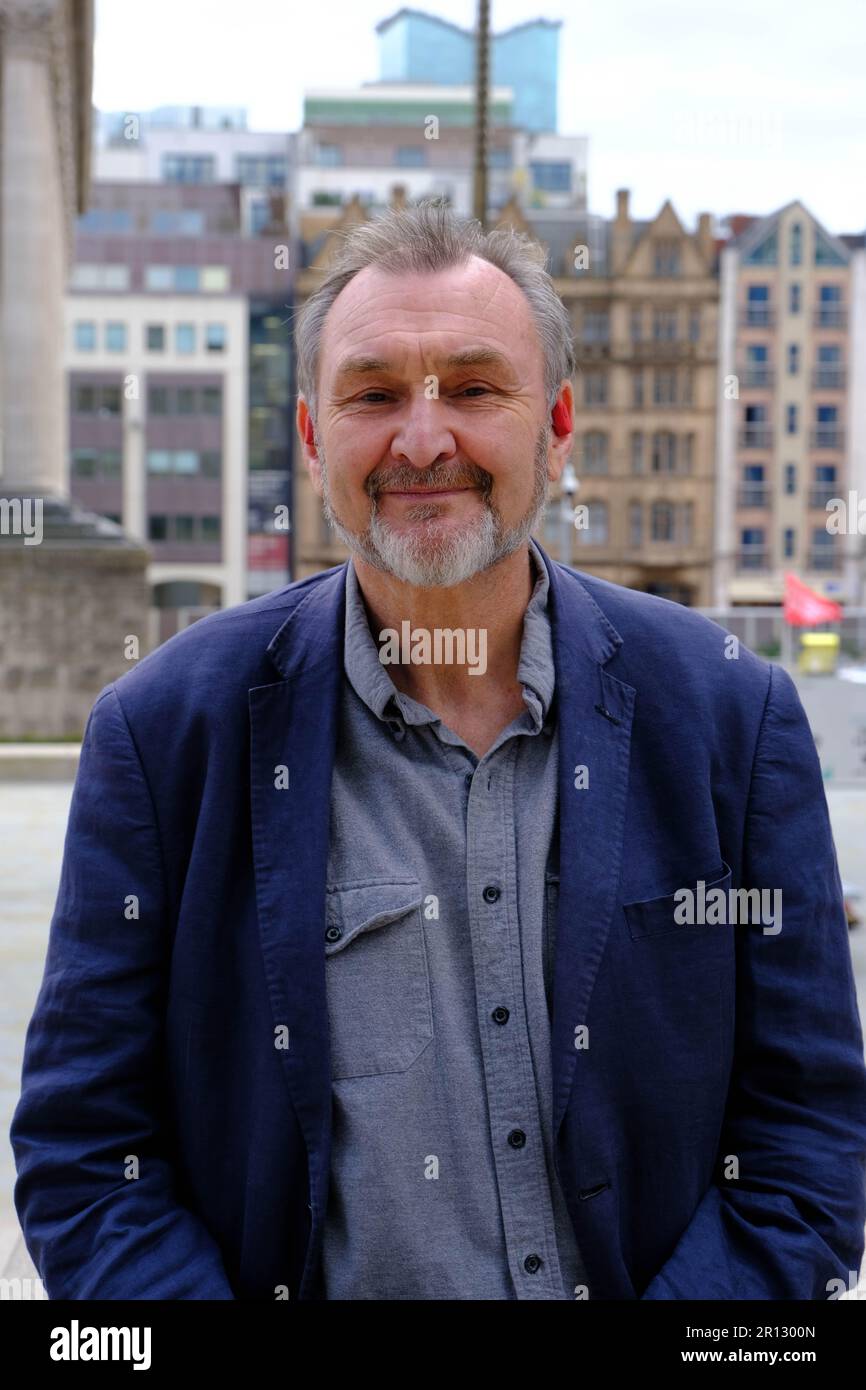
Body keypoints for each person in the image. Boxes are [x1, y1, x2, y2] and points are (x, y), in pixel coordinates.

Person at [11, 201, 866, 1300]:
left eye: (471, 388)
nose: (422, 440)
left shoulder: (729, 715)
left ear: (555, 425)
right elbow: (88, 1157)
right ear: (314, 438)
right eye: (371, 395)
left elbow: (807, 1131)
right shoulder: (167, 733)